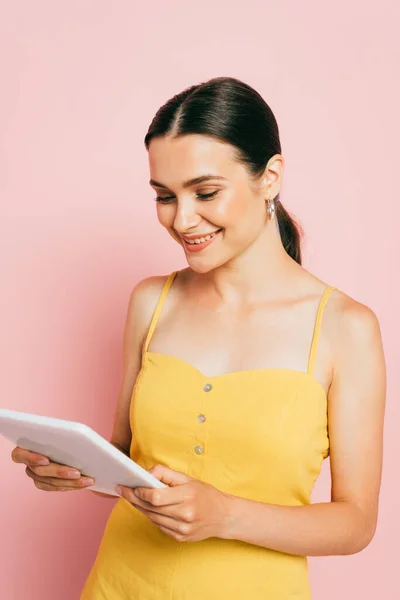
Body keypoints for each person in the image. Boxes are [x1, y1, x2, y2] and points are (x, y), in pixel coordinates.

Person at [11, 76, 386, 599]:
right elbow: (126, 458)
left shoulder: (347, 328)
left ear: (270, 177)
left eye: (205, 192)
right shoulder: (151, 301)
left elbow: (355, 524)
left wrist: (226, 515)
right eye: (164, 196)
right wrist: (71, 467)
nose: (182, 220)